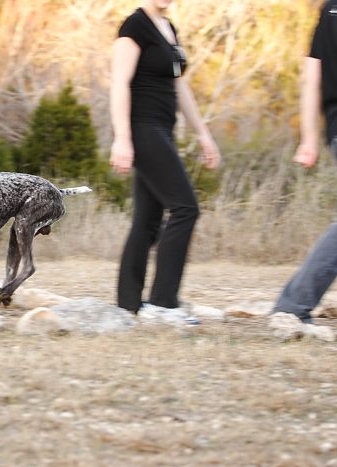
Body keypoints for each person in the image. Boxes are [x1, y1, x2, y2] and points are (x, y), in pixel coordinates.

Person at [109, 0, 220, 323]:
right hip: (143, 129)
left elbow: (177, 84)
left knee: (147, 219)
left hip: (164, 130)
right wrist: (122, 137)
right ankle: (163, 302)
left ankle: (128, 304)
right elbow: (119, 83)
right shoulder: (134, 26)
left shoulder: (168, 28)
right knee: (186, 208)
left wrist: (202, 134)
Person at [274, 0, 337, 324]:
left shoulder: (329, 10)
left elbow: (311, 78)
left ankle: (293, 304)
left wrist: (309, 138)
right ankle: (293, 305)